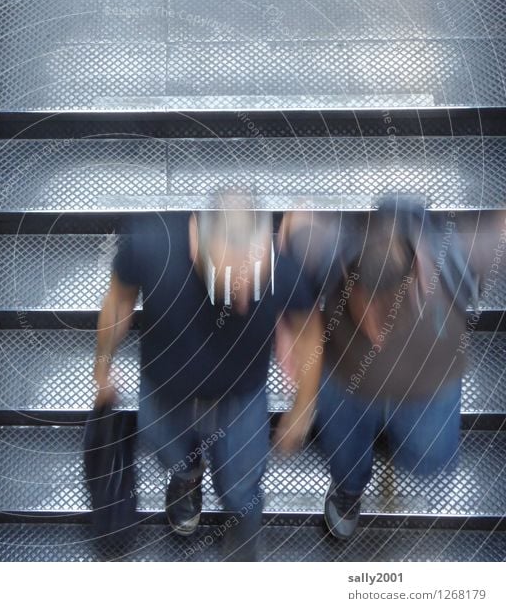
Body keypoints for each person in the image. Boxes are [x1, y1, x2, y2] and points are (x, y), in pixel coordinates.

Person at [93, 194, 322, 560]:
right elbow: (119, 302)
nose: (245, 298)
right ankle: (187, 479)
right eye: (230, 282)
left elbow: (309, 332)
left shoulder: (282, 270)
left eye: (253, 279)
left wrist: (305, 405)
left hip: (240, 402)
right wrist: (102, 367)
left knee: (241, 489)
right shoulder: (150, 244)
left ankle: (240, 529)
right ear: (197, 243)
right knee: (171, 456)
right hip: (165, 396)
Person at [278, 197, 505, 540]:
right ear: (348, 277)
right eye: (362, 308)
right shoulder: (329, 250)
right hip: (346, 380)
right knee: (345, 458)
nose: (375, 333)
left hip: (426, 386)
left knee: (428, 460)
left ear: (414, 280)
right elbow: (295, 220)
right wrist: (288, 325)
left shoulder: (458, 256)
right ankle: (349, 489)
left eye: (387, 314)